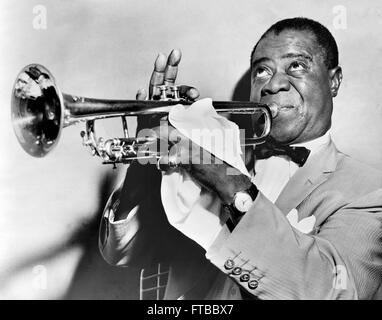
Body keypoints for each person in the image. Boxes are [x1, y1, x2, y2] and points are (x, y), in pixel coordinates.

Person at [98, 17, 382, 299]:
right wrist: (145, 157)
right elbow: (123, 251)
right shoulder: (216, 149)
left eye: (296, 66)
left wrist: (230, 183)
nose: (273, 84)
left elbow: (334, 291)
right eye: (262, 71)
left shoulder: (368, 191)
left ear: (334, 81)